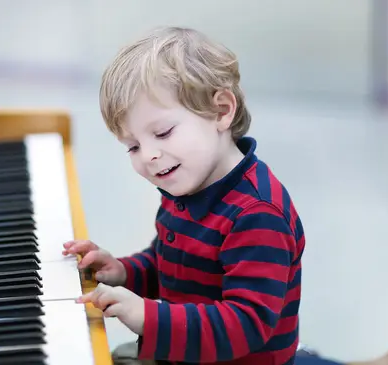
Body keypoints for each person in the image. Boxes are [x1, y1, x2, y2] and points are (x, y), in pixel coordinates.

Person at [62, 26, 305, 365]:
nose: (148, 155)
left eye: (163, 132)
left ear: (221, 111)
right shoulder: (187, 184)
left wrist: (147, 316)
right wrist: (124, 271)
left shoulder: (257, 213)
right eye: (133, 146)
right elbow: (172, 265)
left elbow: (246, 324)